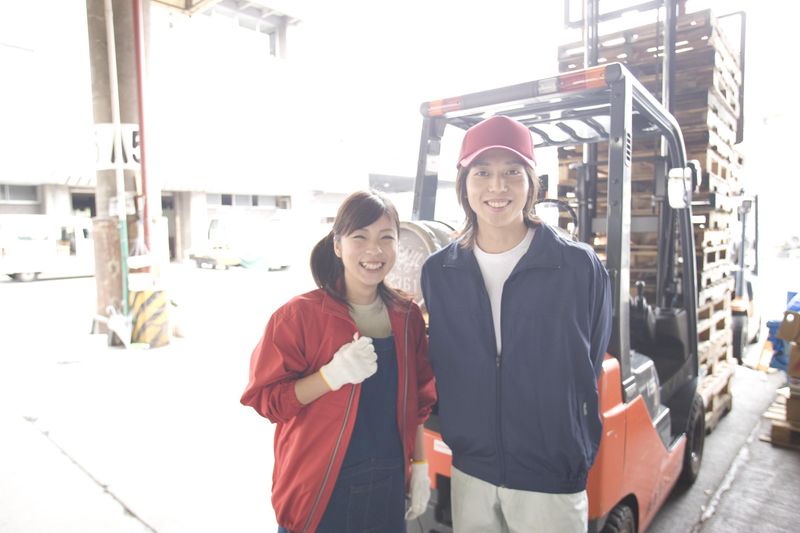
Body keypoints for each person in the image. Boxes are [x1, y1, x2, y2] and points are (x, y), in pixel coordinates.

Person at [420, 115, 612, 532]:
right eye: (482, 172)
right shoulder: (439, 271)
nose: (497, 186)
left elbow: (590, 361)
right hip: (472, 469)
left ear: (531, 183)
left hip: (550, 476)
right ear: (464, 184)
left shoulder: (576, 266)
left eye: (512, 172)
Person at [241, 190, 436, 533]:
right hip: (319, 490)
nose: (374, 250)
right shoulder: (298, 317)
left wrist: (419, 464)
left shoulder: (407, 317)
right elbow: (267, 401)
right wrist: (329, 377)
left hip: (388, 485)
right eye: (360, 236)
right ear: (337, 245)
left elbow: (417, 401)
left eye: (386, 237)